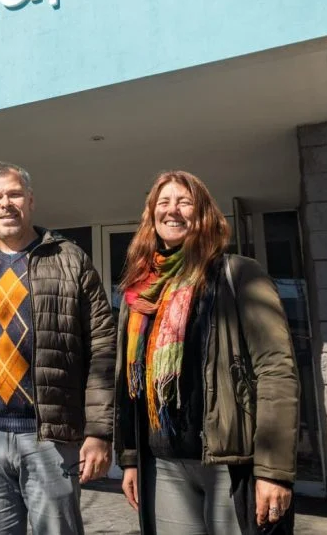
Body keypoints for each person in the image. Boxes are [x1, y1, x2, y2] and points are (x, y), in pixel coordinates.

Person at [0, 161, 116, 535]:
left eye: (14, 194)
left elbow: (103, 347)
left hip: (50, 439)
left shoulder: (70, 260)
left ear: (30, 200)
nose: (6, 204)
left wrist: (99, 432)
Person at [115, 170, 300, 535]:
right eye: (163, 203)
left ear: (204, 215)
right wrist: (131, 459)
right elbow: (129, 387)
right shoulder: (140, 294)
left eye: (184, 202)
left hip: (228, 463)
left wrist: (274, 472)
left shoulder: (238, 275)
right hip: (164, 463)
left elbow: (276, 370)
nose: (173, 210)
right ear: (151, 216)